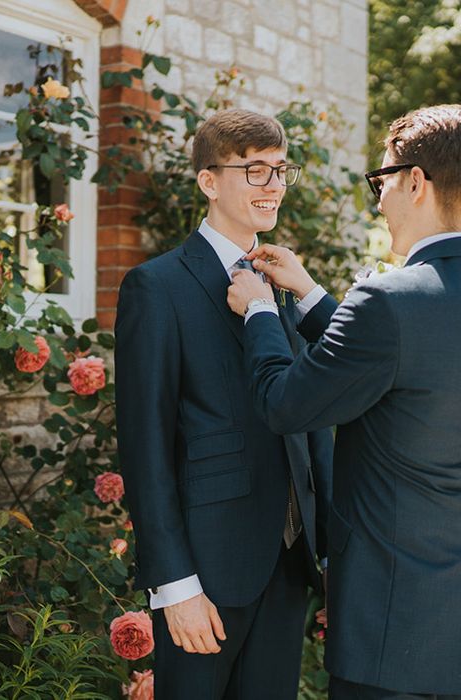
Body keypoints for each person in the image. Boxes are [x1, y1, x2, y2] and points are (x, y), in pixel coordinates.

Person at [227, 103, 461, 700]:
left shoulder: (389, 302)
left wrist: (258, 311)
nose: (378, 199)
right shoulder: (403, 309)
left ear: (414, 181)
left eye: (381, 181)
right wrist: (308, 295)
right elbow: (405, 369)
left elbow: (286, 404)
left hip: (391, 632)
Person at [114, 109, 333, 699]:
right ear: (209, 181)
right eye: (255, 171)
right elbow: (145, 447)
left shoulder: (282, 280)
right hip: (204, 578)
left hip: (288, 567)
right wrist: (175, 586)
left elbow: (309, 415)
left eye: (280, 170)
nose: (273, 187)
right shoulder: (156, 287)